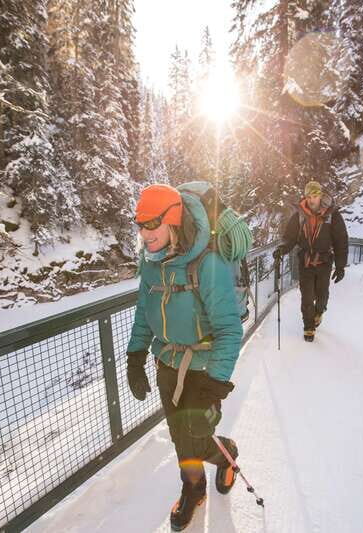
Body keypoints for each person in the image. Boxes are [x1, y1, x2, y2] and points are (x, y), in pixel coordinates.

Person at [125, 184, 243, 531]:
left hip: (203, 367)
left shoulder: (208, 263)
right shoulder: (150, 263)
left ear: (173, 219)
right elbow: (144, 312)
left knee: (194, 433)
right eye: (140, 225)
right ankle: (194, 488)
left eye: (152, 224)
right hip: (167, 364)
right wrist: (135, 356)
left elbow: (229, 329)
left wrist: (216, 382)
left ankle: (226, 452)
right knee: (180, 435)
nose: (144, 234)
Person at [273, 180, 349, 342]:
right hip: (305, 262)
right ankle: (308, 327)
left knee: (322, 296)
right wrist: (281, 249)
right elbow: (289, 238)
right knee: (307, 296)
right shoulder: (299, 216)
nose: (311, 199)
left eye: (315, 195)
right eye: (308, 196)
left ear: (320, 195)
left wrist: (340, 266)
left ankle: (319, 312)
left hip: (324, 261)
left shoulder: (332, 215)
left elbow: (341, 241)